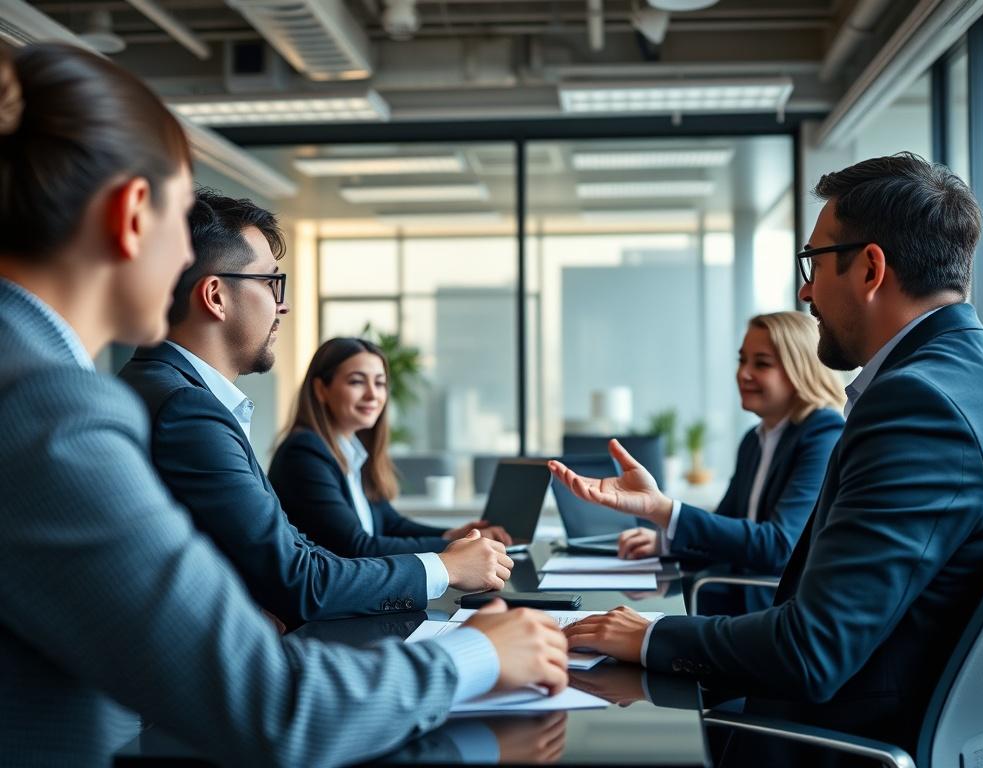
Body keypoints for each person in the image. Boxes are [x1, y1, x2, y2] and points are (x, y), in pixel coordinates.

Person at [0, 42, 567, 766]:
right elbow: (274, 708)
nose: (183, 260)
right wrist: (475, 656)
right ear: (133, 213)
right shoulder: (47, 407)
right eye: (181, 219)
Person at [550, 153, 983, 760]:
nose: (806, 289)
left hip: (835, 740)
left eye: (814, 261)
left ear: (870, 268)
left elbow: (812, 651)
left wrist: (648, 636)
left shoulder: (917, 404)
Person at [120, 190, 511, 630]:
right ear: (215, 296)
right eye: (270, 283)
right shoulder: (187, 410)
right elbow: (299, 580)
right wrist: (446, 569)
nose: (281, 304)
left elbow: (290, 553)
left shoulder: (164, 389)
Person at [614, 311, 844, 614]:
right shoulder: (755, 440)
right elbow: (728, 530)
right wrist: (664, 546)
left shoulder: (823, 432)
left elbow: (779, 547)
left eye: (761, 363)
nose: (744, 373)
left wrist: (665, 511)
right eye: (742, 360)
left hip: (772, 610)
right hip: (732, 597)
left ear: (800, 370)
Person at [268, 337, 512, 559]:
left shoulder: (351, 452)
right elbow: (356, 547)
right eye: (357, 382)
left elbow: (390, 524)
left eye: (380, 383)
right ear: (321, 389)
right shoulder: (304, 454)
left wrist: (454, 535)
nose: (373, 394)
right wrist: (454, 549)